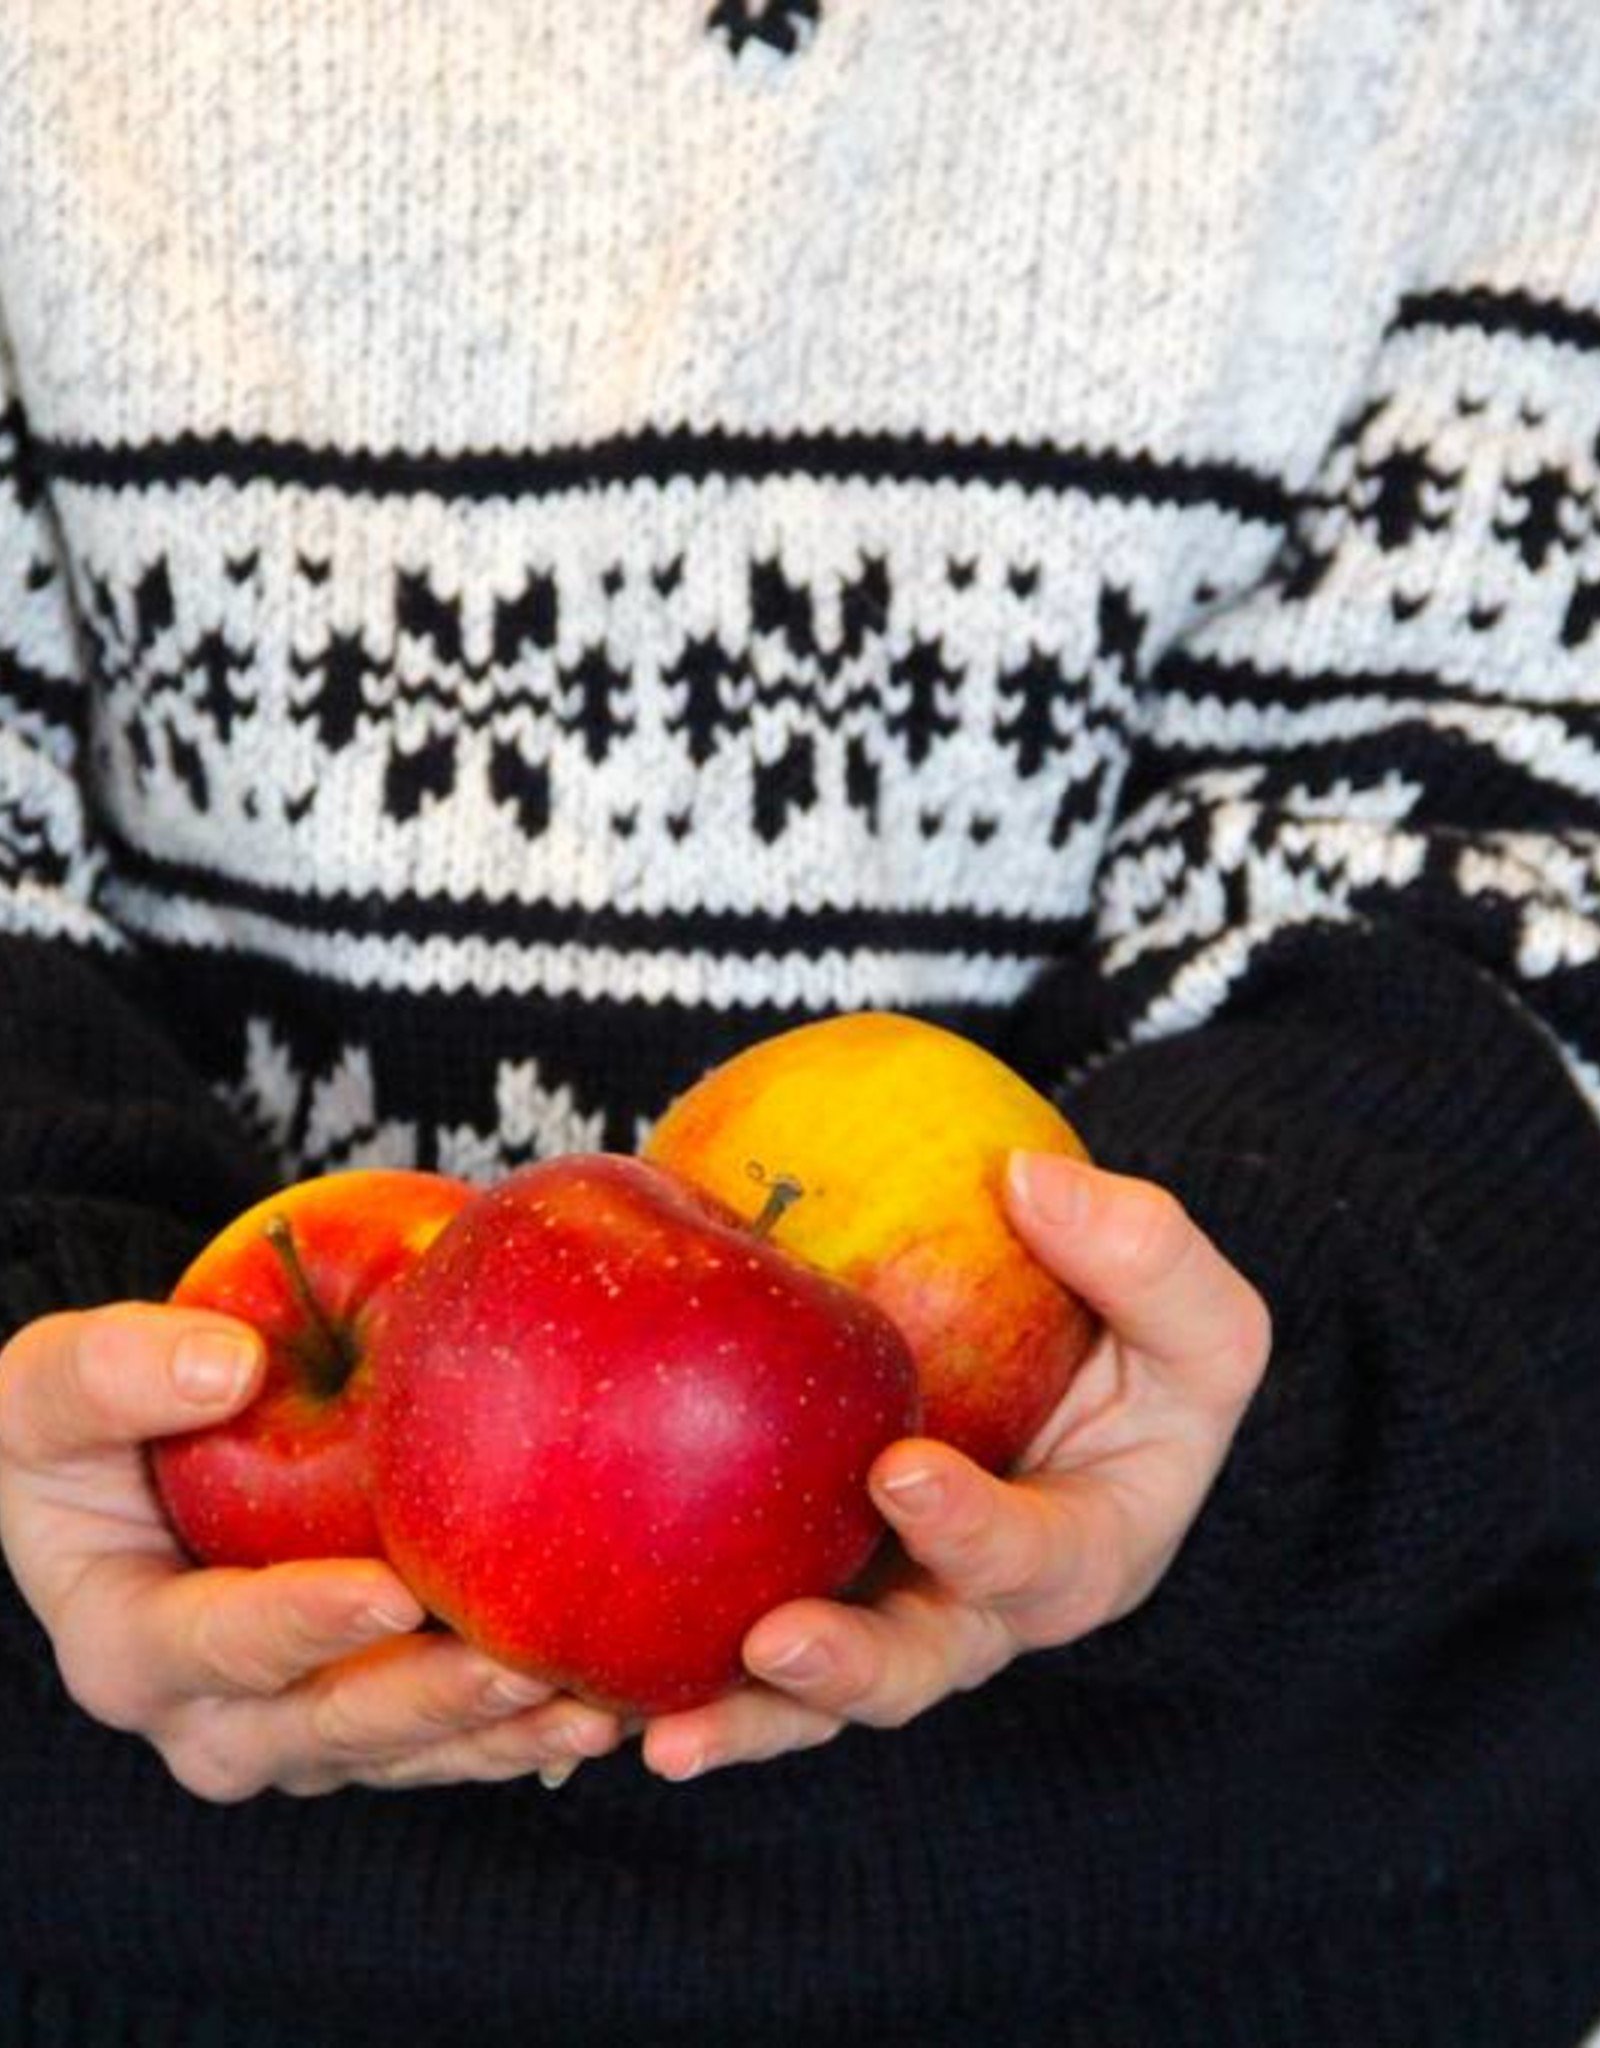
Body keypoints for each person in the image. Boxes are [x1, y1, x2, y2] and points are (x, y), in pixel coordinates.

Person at [0, 3, 1596, 2042]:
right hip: (132, 1928)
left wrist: (1211, 1349)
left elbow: (1519, 852)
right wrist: (50, 1329)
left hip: (1238, 1923)